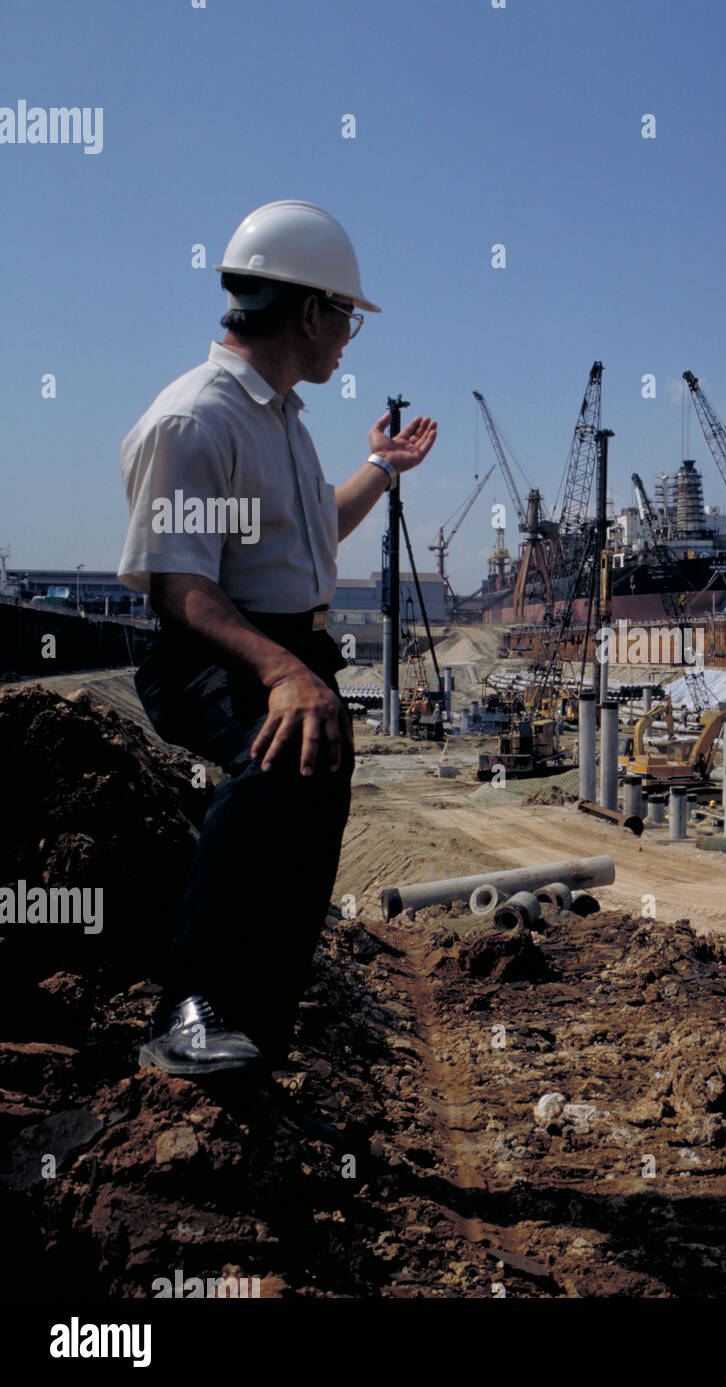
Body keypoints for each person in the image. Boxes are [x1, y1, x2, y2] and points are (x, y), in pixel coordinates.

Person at [118, 200, 437, 1075]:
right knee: (272, 762)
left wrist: (381, 469)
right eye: (345, 317)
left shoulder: (280, 419)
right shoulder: (197, 420)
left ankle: (256, 1030)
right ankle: (186, 1013)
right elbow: (182, 586)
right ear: (307, 312)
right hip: (214, 652)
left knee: (313, 812)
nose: (347, 338)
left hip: (288, 649)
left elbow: (307, 537)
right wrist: (283, 673)